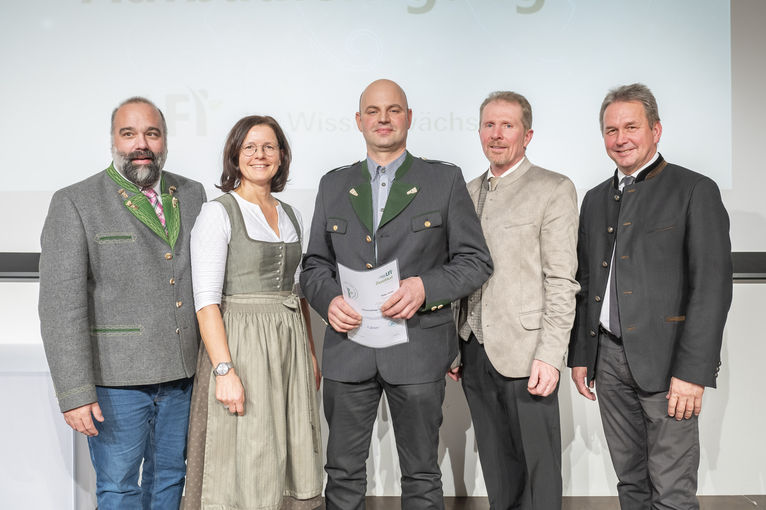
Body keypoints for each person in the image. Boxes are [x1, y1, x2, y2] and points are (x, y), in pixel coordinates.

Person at [300, 78, 493, 510]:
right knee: (343, 474)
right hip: (349, 352)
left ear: (408, 117)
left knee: (422, 474)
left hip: (419, 349)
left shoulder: (443, 180)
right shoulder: (334, 184)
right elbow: (313, 264)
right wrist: (329, 299)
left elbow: (475, 261)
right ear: (358, 120)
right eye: (373, 111)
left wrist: (426, 287)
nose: (382, 119)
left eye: (393, 110)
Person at [568, 83, 732, 509]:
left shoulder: (695, 190)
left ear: (656, 129)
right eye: (610, 130)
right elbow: (587, 282)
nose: (620, 138)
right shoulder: (594, 199)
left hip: (669, 365)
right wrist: (582, 355)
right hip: (608, 362)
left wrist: (693, 372)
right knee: (631, 483)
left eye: (631, 127)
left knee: (673, 489)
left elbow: (711, 288)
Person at [38, 96, 206, 509]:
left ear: (164, 139)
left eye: (152, 132)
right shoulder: (75, 201)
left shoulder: (192, 193)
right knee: (119, 488)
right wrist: (75, 392)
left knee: (170, 480)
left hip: (184, 375)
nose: (141, 143)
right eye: (129, 133)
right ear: (113, 140)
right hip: (116, 382)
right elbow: (60, 306)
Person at [182, 115, 322, 510]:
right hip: (242, 345)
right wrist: (224, 372)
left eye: (269, 147)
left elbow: (298, 292)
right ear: (235, 155)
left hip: (288, 345)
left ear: (281, 156)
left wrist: (310, 352)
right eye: (250, 147)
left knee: (290, 444)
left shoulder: (292, 214)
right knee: (248, 449)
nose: (260, 155)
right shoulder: (218, 213)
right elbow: (206, 301)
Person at [451, 91, 579, 509]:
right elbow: (456, 272)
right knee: (498, 473)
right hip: (474, 353)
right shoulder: (466, 192)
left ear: (527, 135)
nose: (497, 134)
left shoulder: (553, 189)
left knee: (539, 476)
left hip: (528, 355)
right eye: (489, 125)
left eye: (508, 125)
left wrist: (550, 354)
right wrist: (453, 347)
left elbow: (562, 281)